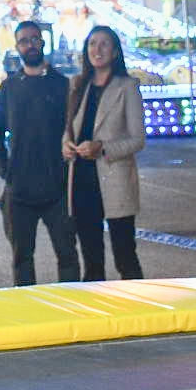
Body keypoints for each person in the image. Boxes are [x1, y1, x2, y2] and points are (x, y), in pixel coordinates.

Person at [0, 19, 79, 284]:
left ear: (42, 42)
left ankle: (71, 310)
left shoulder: (62, 85)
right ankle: (28, 315)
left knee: (67, 256)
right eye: (24, 41)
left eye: (34, 39)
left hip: (58, 188)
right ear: (17, 46)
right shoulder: (9, 88)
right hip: (20, 189)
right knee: (21, 258)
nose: (30, 45)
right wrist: (5, 170)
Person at [64, 24, 148, 279]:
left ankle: (136, 310)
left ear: (114, 52)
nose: (97, 50)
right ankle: (96, 312)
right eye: (92, 44)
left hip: (113, 178)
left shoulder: (127, 87)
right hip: (81, 178)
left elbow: (138, 139)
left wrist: (103, 148)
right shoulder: (78, 85)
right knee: (91, 257)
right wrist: (66, 144)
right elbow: (70, 127)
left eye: (103, 44)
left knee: (124, 255)